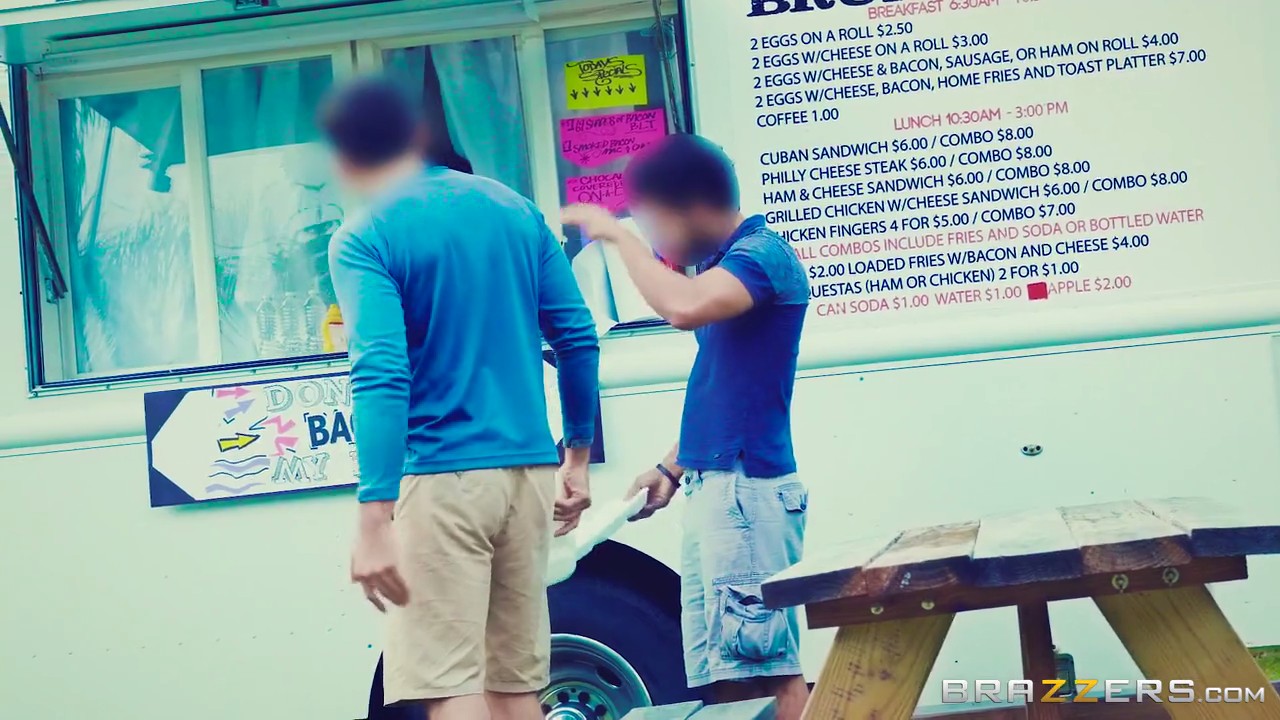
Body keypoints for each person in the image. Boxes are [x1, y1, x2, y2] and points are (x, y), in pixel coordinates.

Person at [321, 77, 600, 720]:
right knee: (514, 687)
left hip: (442, 478)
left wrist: (373, 517)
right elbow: (577, 337)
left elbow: (381, 370)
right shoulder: (516, 211)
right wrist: (577, 457)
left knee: (450, 685)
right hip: (529, 475)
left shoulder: (365, 234)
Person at [562, 134, 811, 719]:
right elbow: (726, 391)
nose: (653, 240)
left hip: (745, 494)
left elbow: (684, 307)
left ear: (694, 206)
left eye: (652, 222)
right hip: (719, 488)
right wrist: (671, 467)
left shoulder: (762, 256)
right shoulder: (730, 266)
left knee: (764, 670)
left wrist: (617, 237)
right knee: (726, 675)